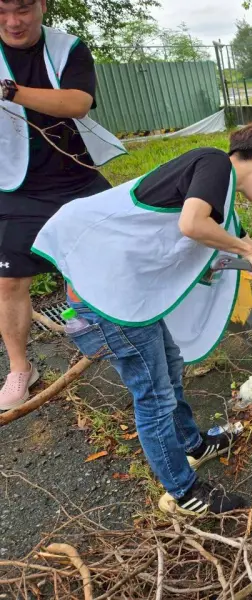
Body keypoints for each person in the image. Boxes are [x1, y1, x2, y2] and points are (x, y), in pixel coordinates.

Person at [32, 123, 252, 516]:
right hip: (105, 301)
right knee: (154, 398)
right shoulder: (214, 163)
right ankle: (184, 492)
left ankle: (193, 445)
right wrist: (243, 250)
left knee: (170, 368)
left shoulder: (221, 199)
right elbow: (192, 224)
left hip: (125, 298)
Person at [0, 0, 126, 410]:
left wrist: (9, 91)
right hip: (15, 184)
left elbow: (77, 103)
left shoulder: (68, 47)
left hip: (76, 176)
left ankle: (121, 333)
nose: (13, 22)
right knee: (9, 281)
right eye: (1, 11)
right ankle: (20, 369)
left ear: (42, 5)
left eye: (22, 9)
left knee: (117, 254)